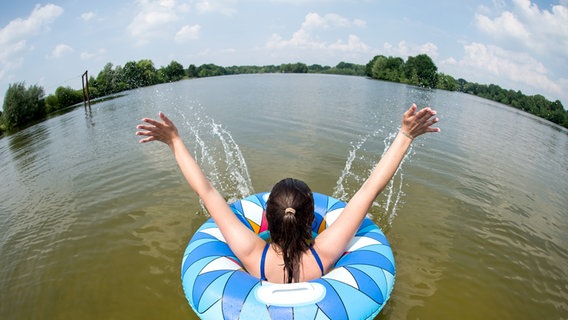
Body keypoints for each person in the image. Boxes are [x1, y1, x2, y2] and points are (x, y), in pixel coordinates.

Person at [136, 103, 440, 284]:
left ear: (266, 219)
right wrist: (405, 135)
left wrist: (174, 140)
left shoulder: (253, 254)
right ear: (312, 219)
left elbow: (206, 190)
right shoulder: (324, 253)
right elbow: (369, 189)